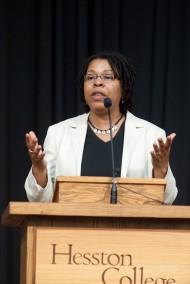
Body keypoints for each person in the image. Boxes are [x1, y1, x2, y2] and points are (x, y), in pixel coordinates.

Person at [25, 50, 178, 204]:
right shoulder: (58, 133)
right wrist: (39, 170)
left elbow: (166, 201)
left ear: (124, 88)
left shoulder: (151, 135)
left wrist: (160, 170)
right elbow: (40, 201)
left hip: (131, 227)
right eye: (90, 77)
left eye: (107, 77)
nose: (97, 82)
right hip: (71, 227)